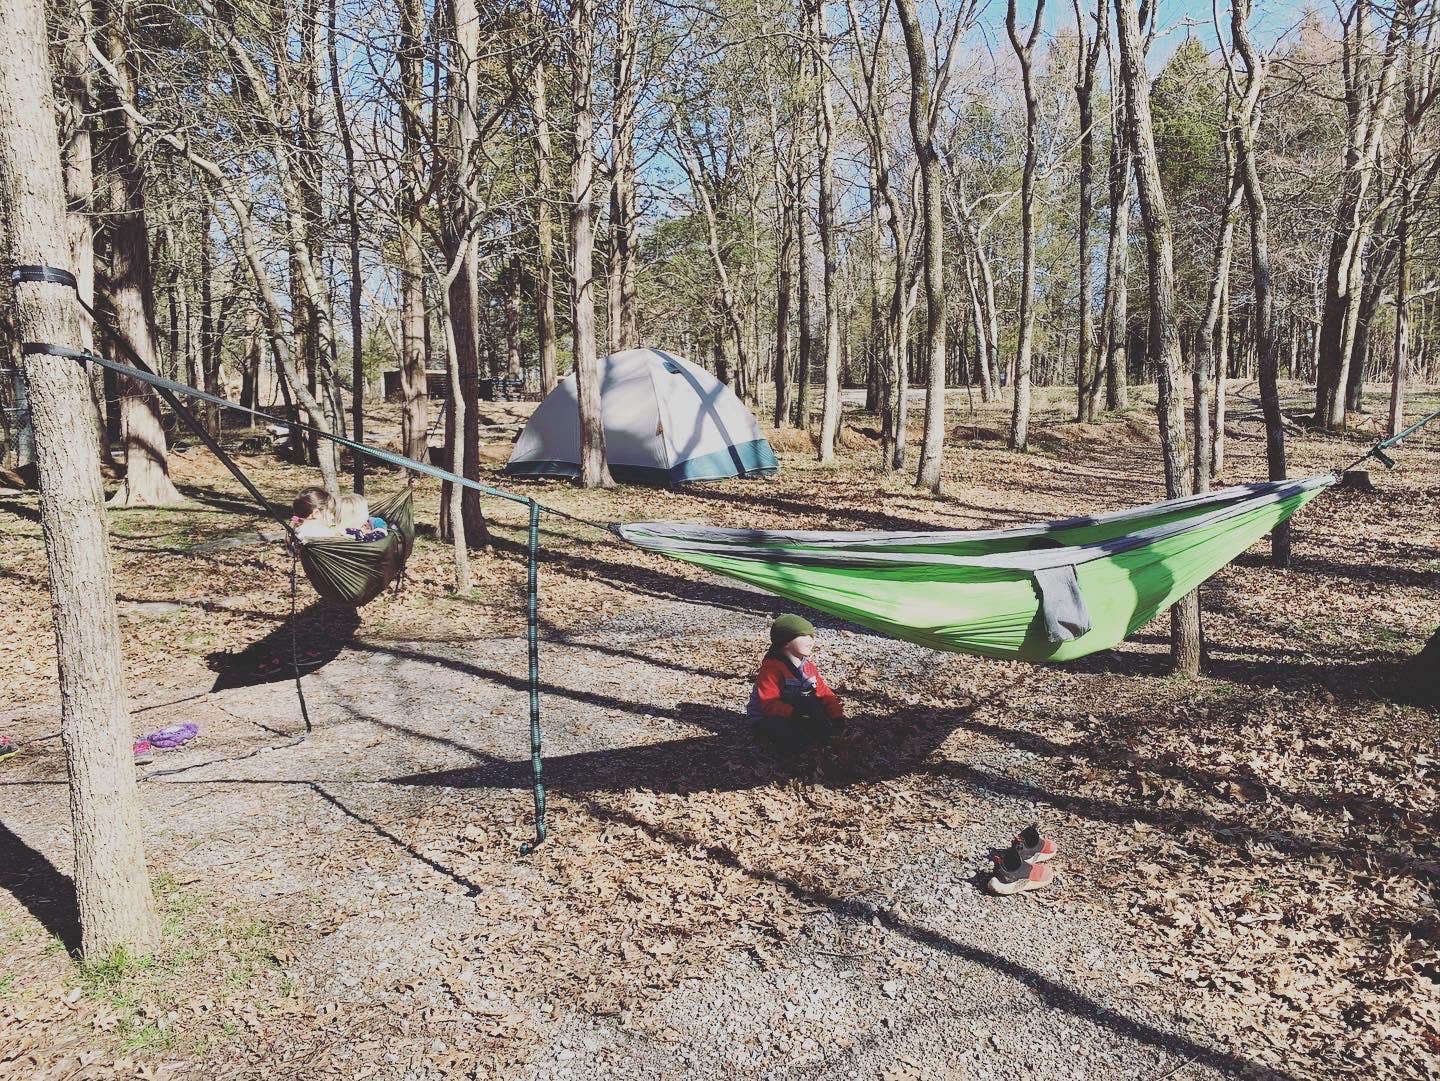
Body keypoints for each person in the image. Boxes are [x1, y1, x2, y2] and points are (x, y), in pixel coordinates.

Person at [748, 613, 844, 752]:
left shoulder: (808, 666)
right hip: (767, 716)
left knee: (823, 721)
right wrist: (795, 715)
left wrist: (837, 715)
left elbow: (823, 692)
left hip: (797, 711)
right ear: (786, 641)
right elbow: (768, 704)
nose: (811, 640)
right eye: (804, 636)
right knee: (788, 735)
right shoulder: (772, 668)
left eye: (812, 636)